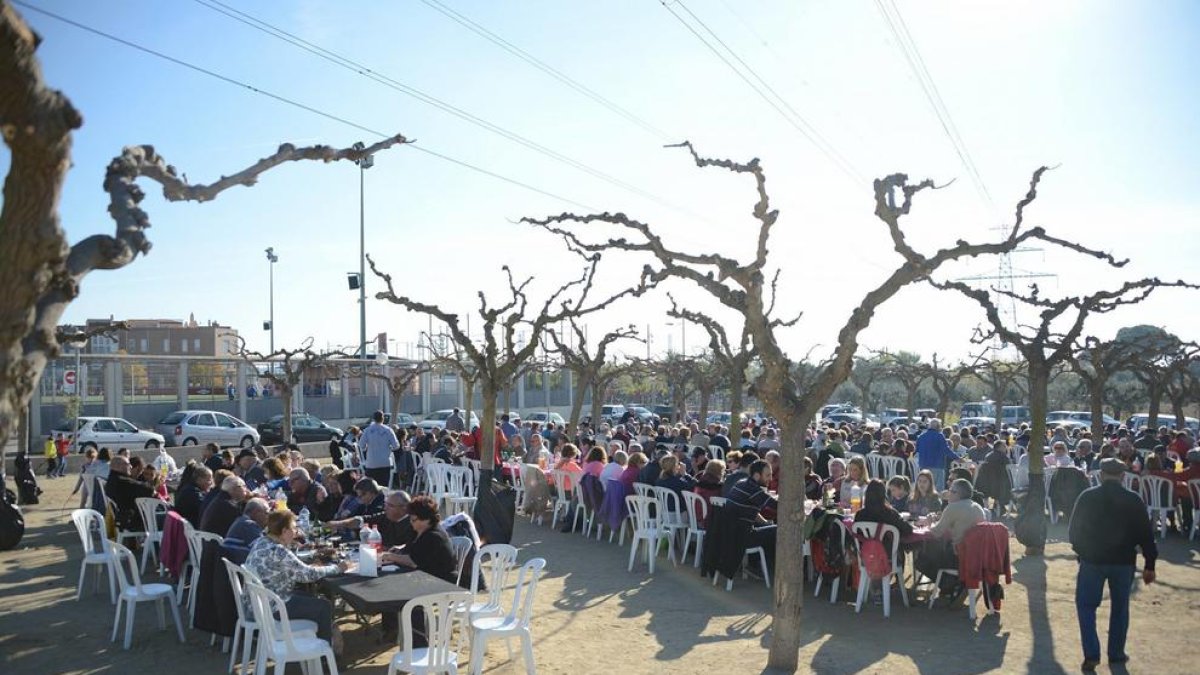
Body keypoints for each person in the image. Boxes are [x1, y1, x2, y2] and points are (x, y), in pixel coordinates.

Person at [1069, 458, 1158, 671]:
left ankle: (1091, 653)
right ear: (1122, 476)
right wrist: (1150, 564)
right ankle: (1116, 654)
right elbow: (1146, 535)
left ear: (1100, 474)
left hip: (1093, 560)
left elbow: (1074, 532)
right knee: (1120, 609)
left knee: (1086, 607)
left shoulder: (1087, 497)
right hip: (1123, 562)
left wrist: (1082, 553)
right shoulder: (1133, 499)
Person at [243, 510, 349, 651]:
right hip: (273, 609)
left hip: (260, 604)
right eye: (294, 528)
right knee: (324, 606)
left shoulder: (262, 541)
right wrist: (337, 568)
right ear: (284, 530)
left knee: (310, 597)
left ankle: (314, 641)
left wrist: (306, 559)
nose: (296, 532)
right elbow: (307, 575)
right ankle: (325, 654)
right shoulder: (278, 550)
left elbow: (291, 566)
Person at [105, 456, 157, 532]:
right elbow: (148, 490)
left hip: (121, 518)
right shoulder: (122, 482)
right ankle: (157, 542)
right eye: (128, 464)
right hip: (132, 521)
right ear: (118, 466)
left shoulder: (112, 479)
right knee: (165, 518)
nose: (131, 466)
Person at [360, 410, 400, 487]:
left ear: (373, 419)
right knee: (384, 487)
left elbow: (361, 445)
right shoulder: (388, 430)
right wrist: (389, 448)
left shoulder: (367, 430)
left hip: (371, 463)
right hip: (385, 463)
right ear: (383, 418)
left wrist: (367, 447)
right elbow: (396, 446)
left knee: (371, 488)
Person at [916, 419, 958, 490]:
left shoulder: (921, 437)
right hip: (937, 466)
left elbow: (917, 450)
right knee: (938, 490)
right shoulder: (939, 436)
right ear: (938, 427)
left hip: (923, 466)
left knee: (925, 489)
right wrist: (957, 458)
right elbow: (946, 450)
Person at [174, 464, 213, 528]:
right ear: (199, 480)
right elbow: (206, 507)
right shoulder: (192, 492)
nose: (211, 483)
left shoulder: (190, 488)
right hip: (189, 528)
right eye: (209, 480)